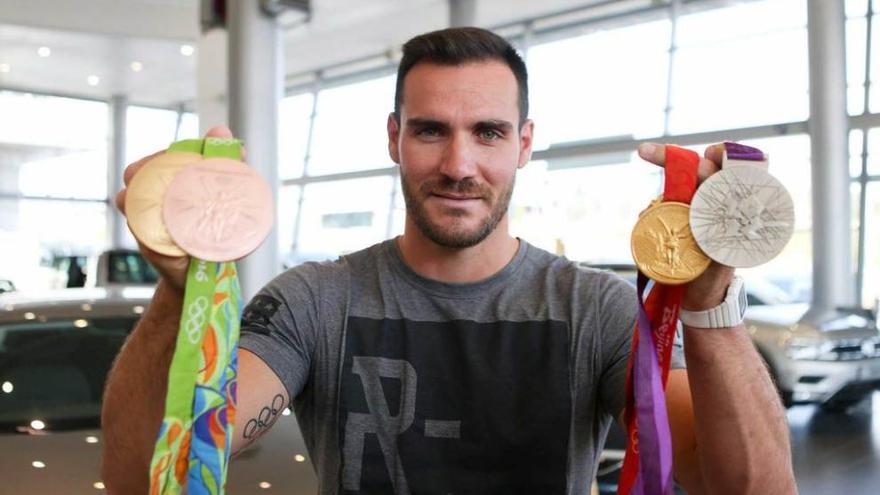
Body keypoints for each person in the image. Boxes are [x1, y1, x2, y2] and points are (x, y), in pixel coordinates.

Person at [101, 27, 796, 494]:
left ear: (523, 144)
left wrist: (711, 304)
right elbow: (150, 478)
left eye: (487, 132)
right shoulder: (317, 301)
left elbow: (747, 486)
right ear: (395, 138)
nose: (459, 165)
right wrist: (181, 293)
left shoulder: (595, 309)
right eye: (432, 130)